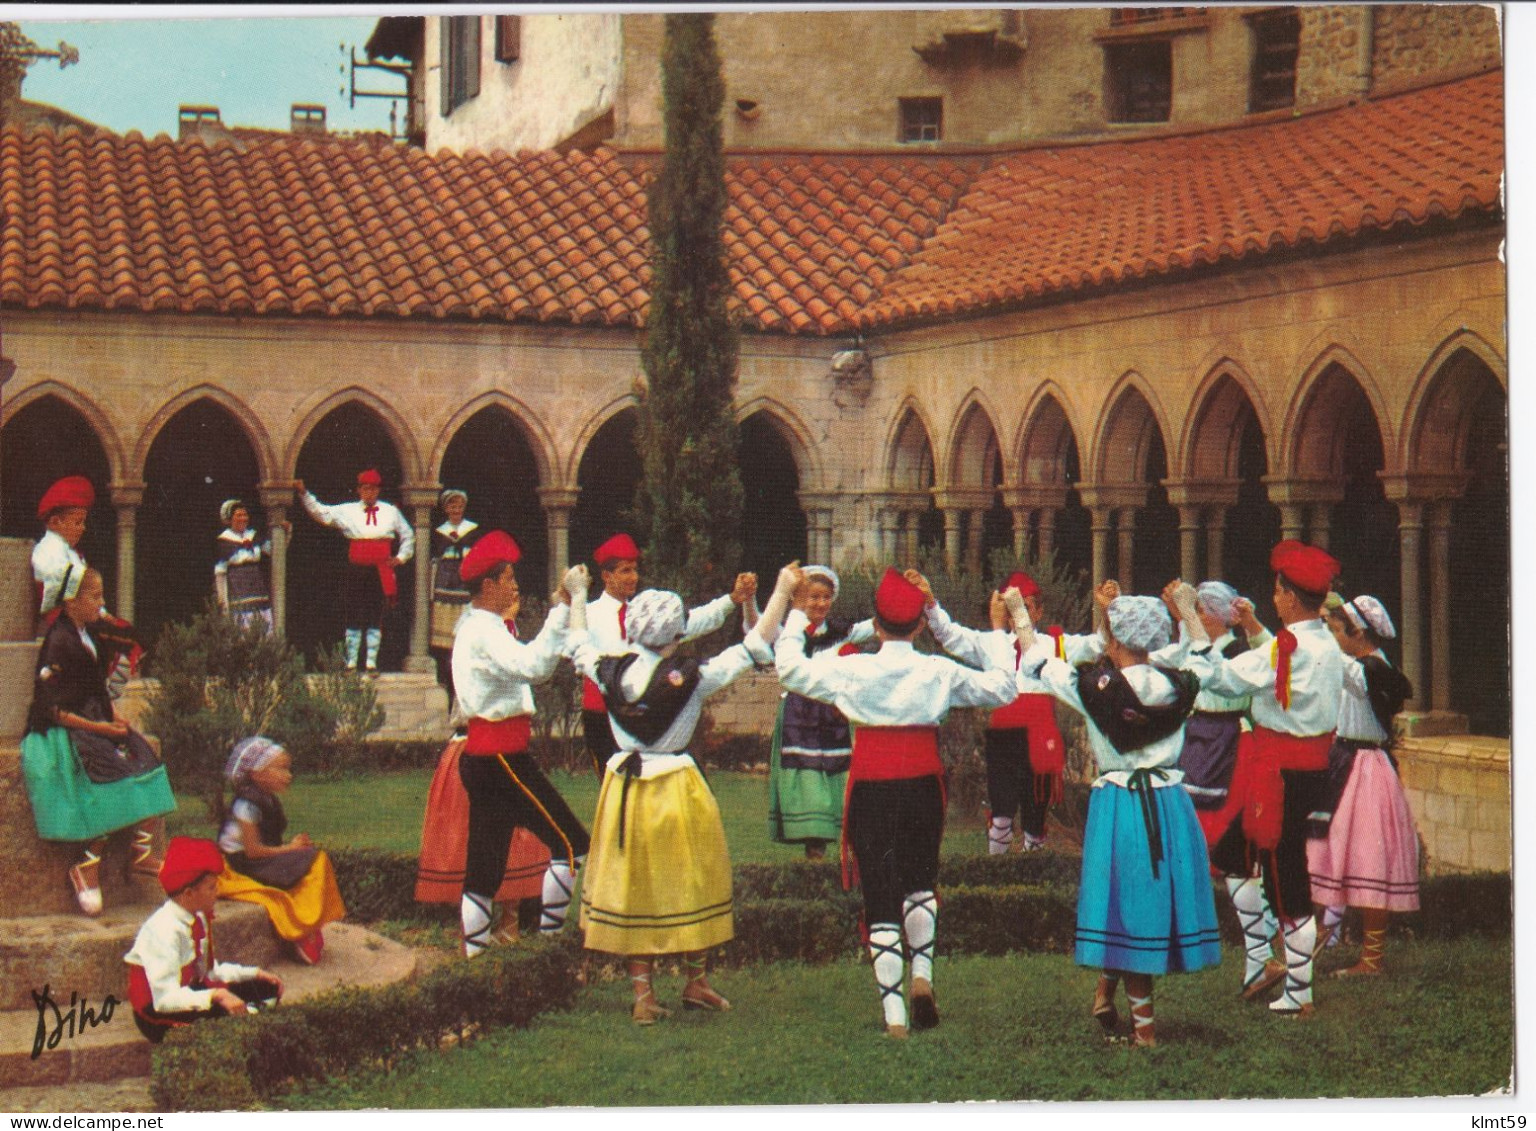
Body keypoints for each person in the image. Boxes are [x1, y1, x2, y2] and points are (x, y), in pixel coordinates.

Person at [774, 567, 1016, 1039]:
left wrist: (795, 612)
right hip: (923, 781)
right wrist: (996, 630)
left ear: (876, 625)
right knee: (920, 882)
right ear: (921, 625)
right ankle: (922, 973)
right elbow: (1003, 687)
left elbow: (789, 670)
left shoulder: (853, 666)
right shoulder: (937, 669)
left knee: (879, 892)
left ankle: (895, 1016)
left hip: (871, 781)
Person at [1012, 585, 1222, 1048]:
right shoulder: (1178, 683)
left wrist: (1017, 615)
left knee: (1127, 908)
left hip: (1120, 803)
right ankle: (1118, 1004)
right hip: (1170, 800)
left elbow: (1037, 663)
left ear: (1112, 641)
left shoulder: (1093, 691)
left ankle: (1143, 1033)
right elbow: (1206, 658)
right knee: (1151, 904)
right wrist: (1187, 610)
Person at [574, 575, 782, 1026]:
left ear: (631, 628)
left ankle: (643, 995)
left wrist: (575, 595)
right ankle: (695, 979)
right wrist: (781, 589)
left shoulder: (607, 668)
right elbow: (753, 646)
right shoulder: (693, 677)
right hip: (675, 784)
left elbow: (576, 643)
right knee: (694, 880)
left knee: (635, 888)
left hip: (625, 786)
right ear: (676, 632)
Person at [1189, 541, 1344, 1017]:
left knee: (1285, 880)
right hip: (1302, 769)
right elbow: (1273, 667)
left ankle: (1299, 991)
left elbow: (1222, 679)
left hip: (1280, 777)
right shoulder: (1323, 644)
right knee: (1234, 854)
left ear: (1291, 598)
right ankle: (1261, 960)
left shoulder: (1288, 647)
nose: (1273, 597)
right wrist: (1254, 628)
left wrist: (1193, 630)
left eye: (1278, 591)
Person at [452, 531, 590, 957]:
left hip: (488, 754)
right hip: (501, 755)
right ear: (488, 586)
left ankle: (474, 953)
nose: (515, 586)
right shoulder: (484, 631)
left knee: (485, 864)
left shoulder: (481, 627)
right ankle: (550, 945)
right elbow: (533, 667)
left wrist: (558, 609)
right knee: (572, 843)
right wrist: (562, 608)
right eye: (508, 578)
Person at [1152, 580, 1282, 999]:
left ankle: (1262, 953)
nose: (1194, 618)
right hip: (1199, 747)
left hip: (1228, 752)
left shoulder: (1237, 655)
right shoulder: (1195, 647)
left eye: (1198, 611)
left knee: (1230, 852)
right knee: (1205, 852)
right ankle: (1256, 950)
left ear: (1213, 615)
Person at [20, 567, 174, 916]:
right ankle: (87, 864)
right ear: (71, 599)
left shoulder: (87, 635)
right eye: (95, 596)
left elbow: (94, 690)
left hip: (95, 719)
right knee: (107, 774)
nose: (102, 603)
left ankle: (143, 848)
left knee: (144, 758)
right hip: (67, 729)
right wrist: (102, 729)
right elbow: (52, 708)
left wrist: (114, 718)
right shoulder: (58, 642)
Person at [920, 569, 1102, 855]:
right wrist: (931, 604)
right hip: (1003, 739)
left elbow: (1097, 645)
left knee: (1035, 813)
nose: (1019, 614)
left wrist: (1106, 609)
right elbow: (949, 635)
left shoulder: (1055, 645)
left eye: (1026, 607)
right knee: (1001, 812)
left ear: (1039, 612)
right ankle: (996, 867)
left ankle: (1033, 867)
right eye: (1011, 607)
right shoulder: (992, 644)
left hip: (1040, 739)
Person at [580, 533, 756, 776]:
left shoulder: (648, 613)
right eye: (625, 571)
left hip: (649, 707)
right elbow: (575, 650)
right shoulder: (587, 615)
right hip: (603, 711)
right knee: (612, 782)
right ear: (606, 575)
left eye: (634, 570)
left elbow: (692, 621)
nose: (634, 577)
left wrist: (732, 599)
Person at [1308, 593, 1419, 977]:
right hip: (1344, 761)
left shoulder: (1371, 669)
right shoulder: (1361, 666)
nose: (1334, 637)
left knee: (1368, 858)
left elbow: (1338, 667)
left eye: (1338, 630)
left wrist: (1312, 627)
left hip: (1366, 767)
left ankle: (1371, 959)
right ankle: (1322, 935)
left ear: (1358, 633)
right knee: (1328, 848)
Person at [124, 837, 284, 1043]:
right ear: (189, 893)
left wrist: (255, 973)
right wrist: (217, 996)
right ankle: (249, 1030)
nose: (217, 893)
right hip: (155, 1012)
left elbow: (210, 972)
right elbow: (164, 1000)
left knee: (265, 988)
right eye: (211, 888)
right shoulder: (164, 930)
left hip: (188, 991)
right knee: (224, 1013)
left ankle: (250, 1019)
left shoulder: (197, 917)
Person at [766, 565, 873, 860]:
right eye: (813, 597)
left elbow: (876, 626)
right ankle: (814, 858)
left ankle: (844, 863)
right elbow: (756, 629)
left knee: (838, 785)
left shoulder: (839, 633)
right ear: (799, 599)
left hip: (833, 717)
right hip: (799, 718)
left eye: (826, 597)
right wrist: (750, 601)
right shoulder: (787, 632)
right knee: (808, 786)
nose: (821, 604)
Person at [215, 736, 346, 966]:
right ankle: (301, 925)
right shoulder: (247, 805)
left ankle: (308, 920)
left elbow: (267, 840)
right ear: (256, 773)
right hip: (243, 863)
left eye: (288, 769)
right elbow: (253, 851)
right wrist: (290, 849)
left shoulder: (266, 799)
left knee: (311, 859)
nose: (289, 775)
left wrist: (291, 847)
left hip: (255, 859)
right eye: (281, 768)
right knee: (315, 861)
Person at [295, 470, 414, 674]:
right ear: (359, 490)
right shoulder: (348, 510)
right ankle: (351, 663)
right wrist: (305, 494)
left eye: (373, 488)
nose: (369, 493)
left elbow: (408, 535)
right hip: (356, 570)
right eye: (365, 488)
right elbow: (321, 513)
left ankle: (371, 663)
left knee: (375, 616)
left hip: (380, 570)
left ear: (378, 490)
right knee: (354, 615)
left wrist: (400, 558)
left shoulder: (390, 511)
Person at [429, 488, 482, 696]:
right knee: (446, 639)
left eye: (459, 505)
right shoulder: (439, 533)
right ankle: (447, 676)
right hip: (445, 586)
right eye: (452, 505)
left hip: (465, 586)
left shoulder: (472, 531)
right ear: (446, 508)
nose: (456, 509)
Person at [214, 499, 284, 634]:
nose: (243, 518)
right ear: (230, 518)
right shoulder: (223, 542)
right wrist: (223, 604)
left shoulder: (253, 536)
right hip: (239, 594)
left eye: (245, 515)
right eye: (239, 515)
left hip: (258, 593)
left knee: (265, 633)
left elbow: (275, 550)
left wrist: (283, 531)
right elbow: (220, 574)